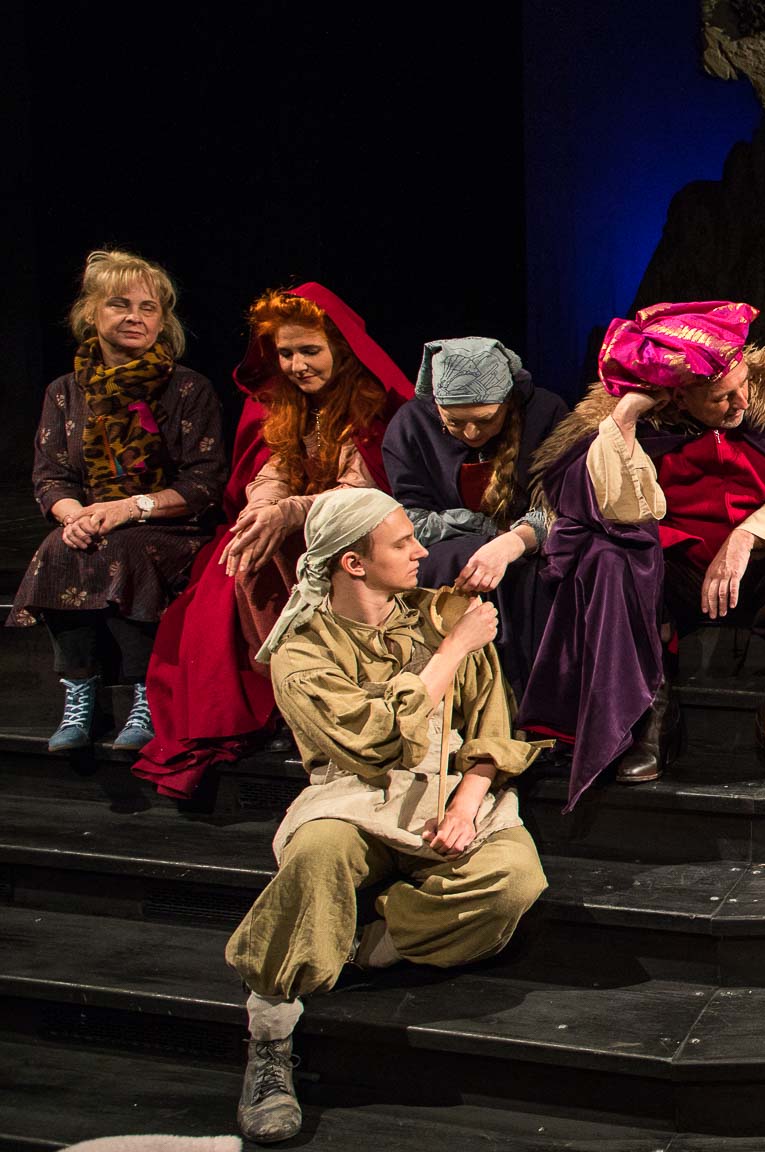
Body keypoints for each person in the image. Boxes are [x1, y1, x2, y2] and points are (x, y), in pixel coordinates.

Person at [226, 489, 546, 1143]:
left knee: (513, 879)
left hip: (445, 790)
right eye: (402, 542)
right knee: (317, 855)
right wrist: (450, 653)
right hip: (355, 792)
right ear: (353, 563)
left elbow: (492, 724)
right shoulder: (301, 650)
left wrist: (466, 803)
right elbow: (372, 742)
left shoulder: (439, 613)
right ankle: (271, 1035)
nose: (421, 551)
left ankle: (360, 945)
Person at [521, 301, 765, 804]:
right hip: (673, 578)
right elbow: (626, 510)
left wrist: (745, 538)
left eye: (743, 385)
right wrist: (624, 419)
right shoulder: (647, 430)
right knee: (617, 552)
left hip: (759, 573)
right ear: (677, 396)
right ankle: (655, 717)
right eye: (721, 398)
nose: (741, 402)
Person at [132, 284, 412, 799]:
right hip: (294, 522)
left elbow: (362, 490)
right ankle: (283, 692)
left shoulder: (374, 404)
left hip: (361, 530)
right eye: (285, 353)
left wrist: (289, 514)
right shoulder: (282, 403)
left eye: (310, 351)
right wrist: (264, 509)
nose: (296, 365)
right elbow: (271, 468)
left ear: (340, 348)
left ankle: (323, 687)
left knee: (283, 542)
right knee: (244, 548)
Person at [9, 250, 225, 751]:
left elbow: (204, 482)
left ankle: (144, 692)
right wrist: (74, 517)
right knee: (60, 548)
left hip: (170, 523)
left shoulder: (188, 388)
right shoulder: (64, 392)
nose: (135, 317)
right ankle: (79, 689)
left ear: (163, 321)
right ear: (91, 313)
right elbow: (50, 477)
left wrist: (129, 508)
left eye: (148, 308)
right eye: (120, 304)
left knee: (125, 549)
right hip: (94, 520)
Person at [382, 337, 568, 695]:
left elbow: (562, 506)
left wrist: (509, 542)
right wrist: (482, 530)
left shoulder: (545, 413)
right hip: (443, 549)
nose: (470, 433)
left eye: (485, 420)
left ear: (508, 402)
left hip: (531, 548)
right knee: (446, 564)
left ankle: (530, 699)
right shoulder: (411, 424)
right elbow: (410, 515)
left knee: (538, 574)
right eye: (454, 422)